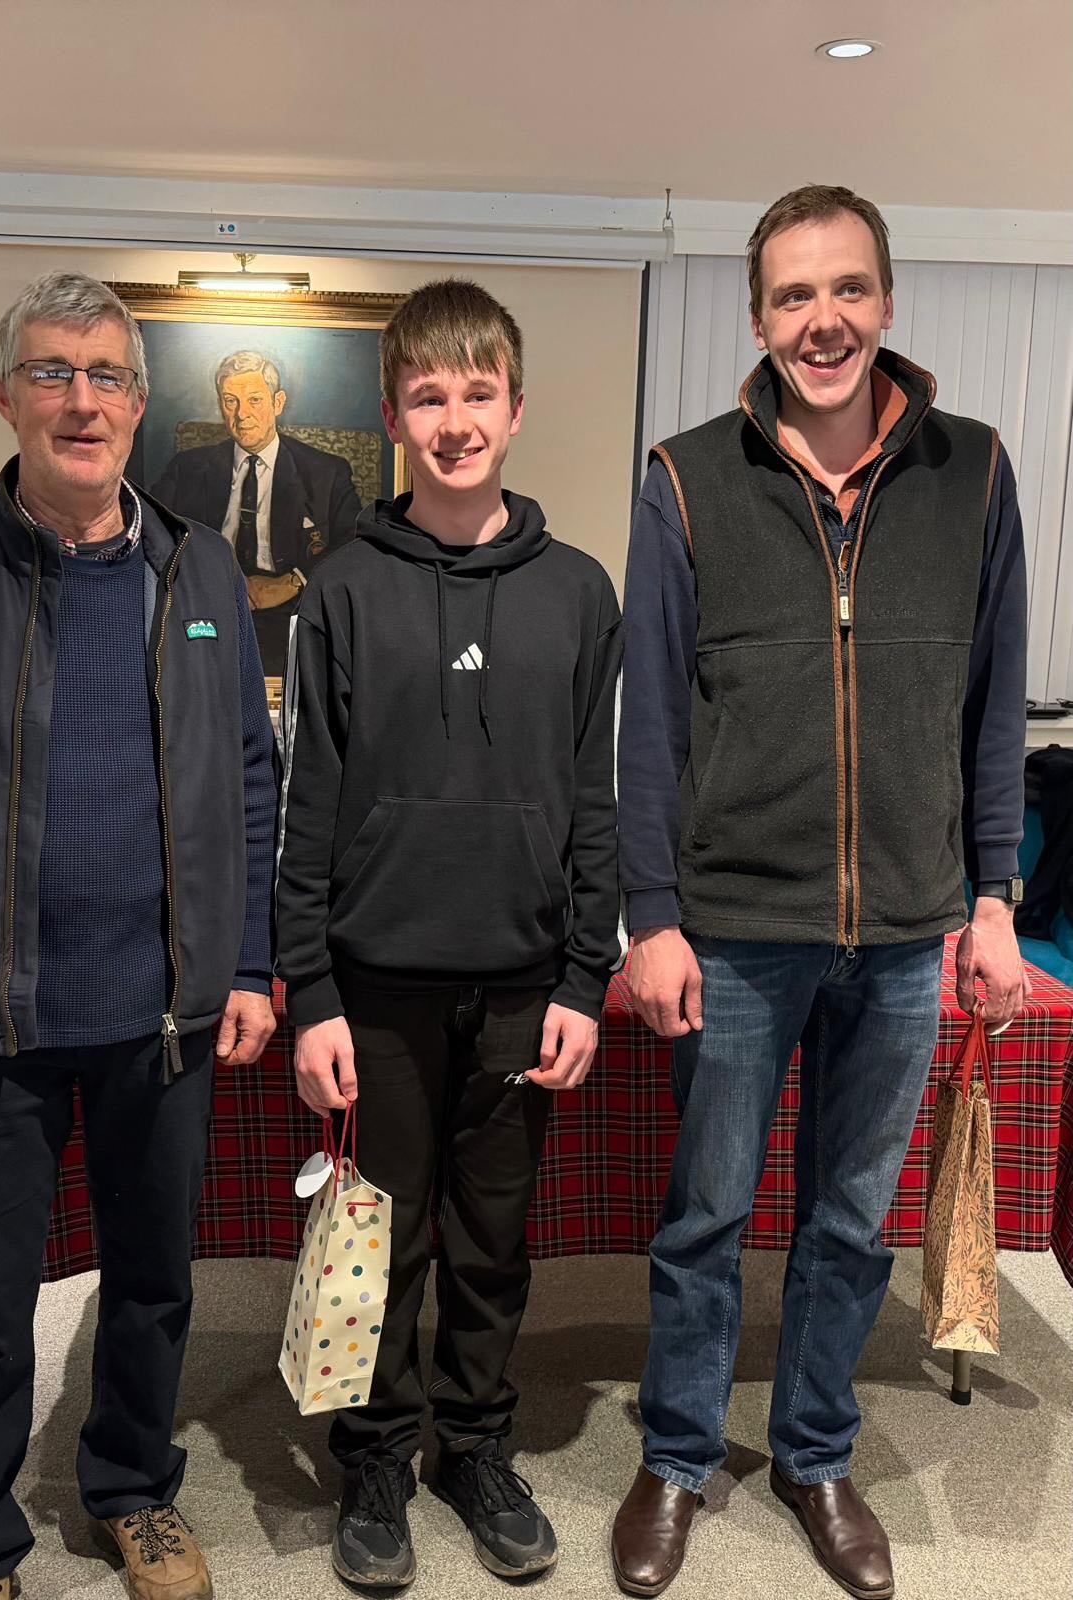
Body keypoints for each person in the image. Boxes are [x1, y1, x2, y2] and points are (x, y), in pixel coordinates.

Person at [0, 269, 278, 1600]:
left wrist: (247, 961)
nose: (80, 399)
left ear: (140, 404)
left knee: (152, 1285)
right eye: (51, 371)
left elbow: (251, 782)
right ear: (6, 395)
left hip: (163, 1014)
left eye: (106, 376)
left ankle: (134, 1490)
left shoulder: (196, 567)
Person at [610, 185, 1028, 1600]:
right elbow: (652, 715)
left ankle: (814, 1453)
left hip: (912, 930)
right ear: (758, 319)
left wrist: (994, 895)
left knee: (852, 1219)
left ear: (889, 303)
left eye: (846, 289)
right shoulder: (683, 477)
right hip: (734, 926)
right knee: (706, 1219)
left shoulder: (973, 471)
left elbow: (991, 708)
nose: (823, 319)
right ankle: (674, 1459)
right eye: (794, 296)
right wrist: (649, 913)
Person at [275, 279, 622, 1589]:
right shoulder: (343, 590)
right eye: (431, 395)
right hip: (378, 988)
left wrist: (586, 977)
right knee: (379, 1239)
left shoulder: (580, 595)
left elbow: (594, 801)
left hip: (528, 985)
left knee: (492, 1241)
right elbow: (308, 799)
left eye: (480, 394)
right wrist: (309, 990)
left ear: (517, 410)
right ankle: (376, 1458)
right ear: (394, 416)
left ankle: (474, 1445)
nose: (456, 419)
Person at [151, 349, 361, 674]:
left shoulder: (325, 473)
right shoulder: (187, 469)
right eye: (230, 400)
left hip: (291, 607)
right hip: (204, 604)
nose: (242, 415)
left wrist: (293, 582)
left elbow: (353, 543)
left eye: (254, 401)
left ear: (278, 403)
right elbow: (153, 534)